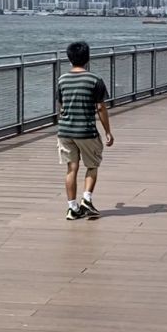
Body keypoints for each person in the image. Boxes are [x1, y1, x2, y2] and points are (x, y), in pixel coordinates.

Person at [57, 41, 114, 220]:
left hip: (65, 131)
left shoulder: (62, 79)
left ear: (69, 58)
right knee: (92, 165)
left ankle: (72, 208)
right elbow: (100, 108)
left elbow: (61, 106)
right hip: (86, 131)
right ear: (88, 58)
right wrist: (107, 132)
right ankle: (86, 200)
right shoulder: (95, 80)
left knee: (71, 168)